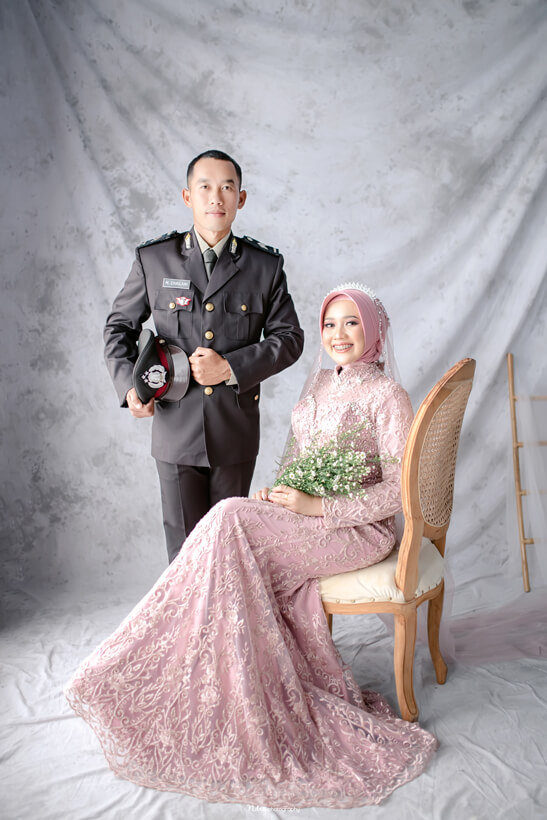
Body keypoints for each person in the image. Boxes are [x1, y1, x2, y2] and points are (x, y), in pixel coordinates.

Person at [66, 283, 437, 809]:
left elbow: (400, 491)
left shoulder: (387, 396)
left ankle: (150, 661)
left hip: (356, 529)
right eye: (330, 324)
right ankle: (206, 682)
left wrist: (318, 507)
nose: (339, 335)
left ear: (373, 330)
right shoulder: (317, 383)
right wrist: (280, 493)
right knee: (232, 524)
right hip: (305, 515)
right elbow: (296, 460)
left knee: (226, 518)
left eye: (352, 323)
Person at [104, 149, 304, 562]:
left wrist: (230, 367)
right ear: (187, 196)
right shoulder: (154, 259)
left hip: (234, 433)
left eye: (227, 187)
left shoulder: (264, 266)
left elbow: (290, 339)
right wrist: (129, 389)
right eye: (205, 187)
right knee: (184, 557)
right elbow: (119, 328)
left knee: (227, 554)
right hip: (175, 432)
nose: (216, 197)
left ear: (240, 199)